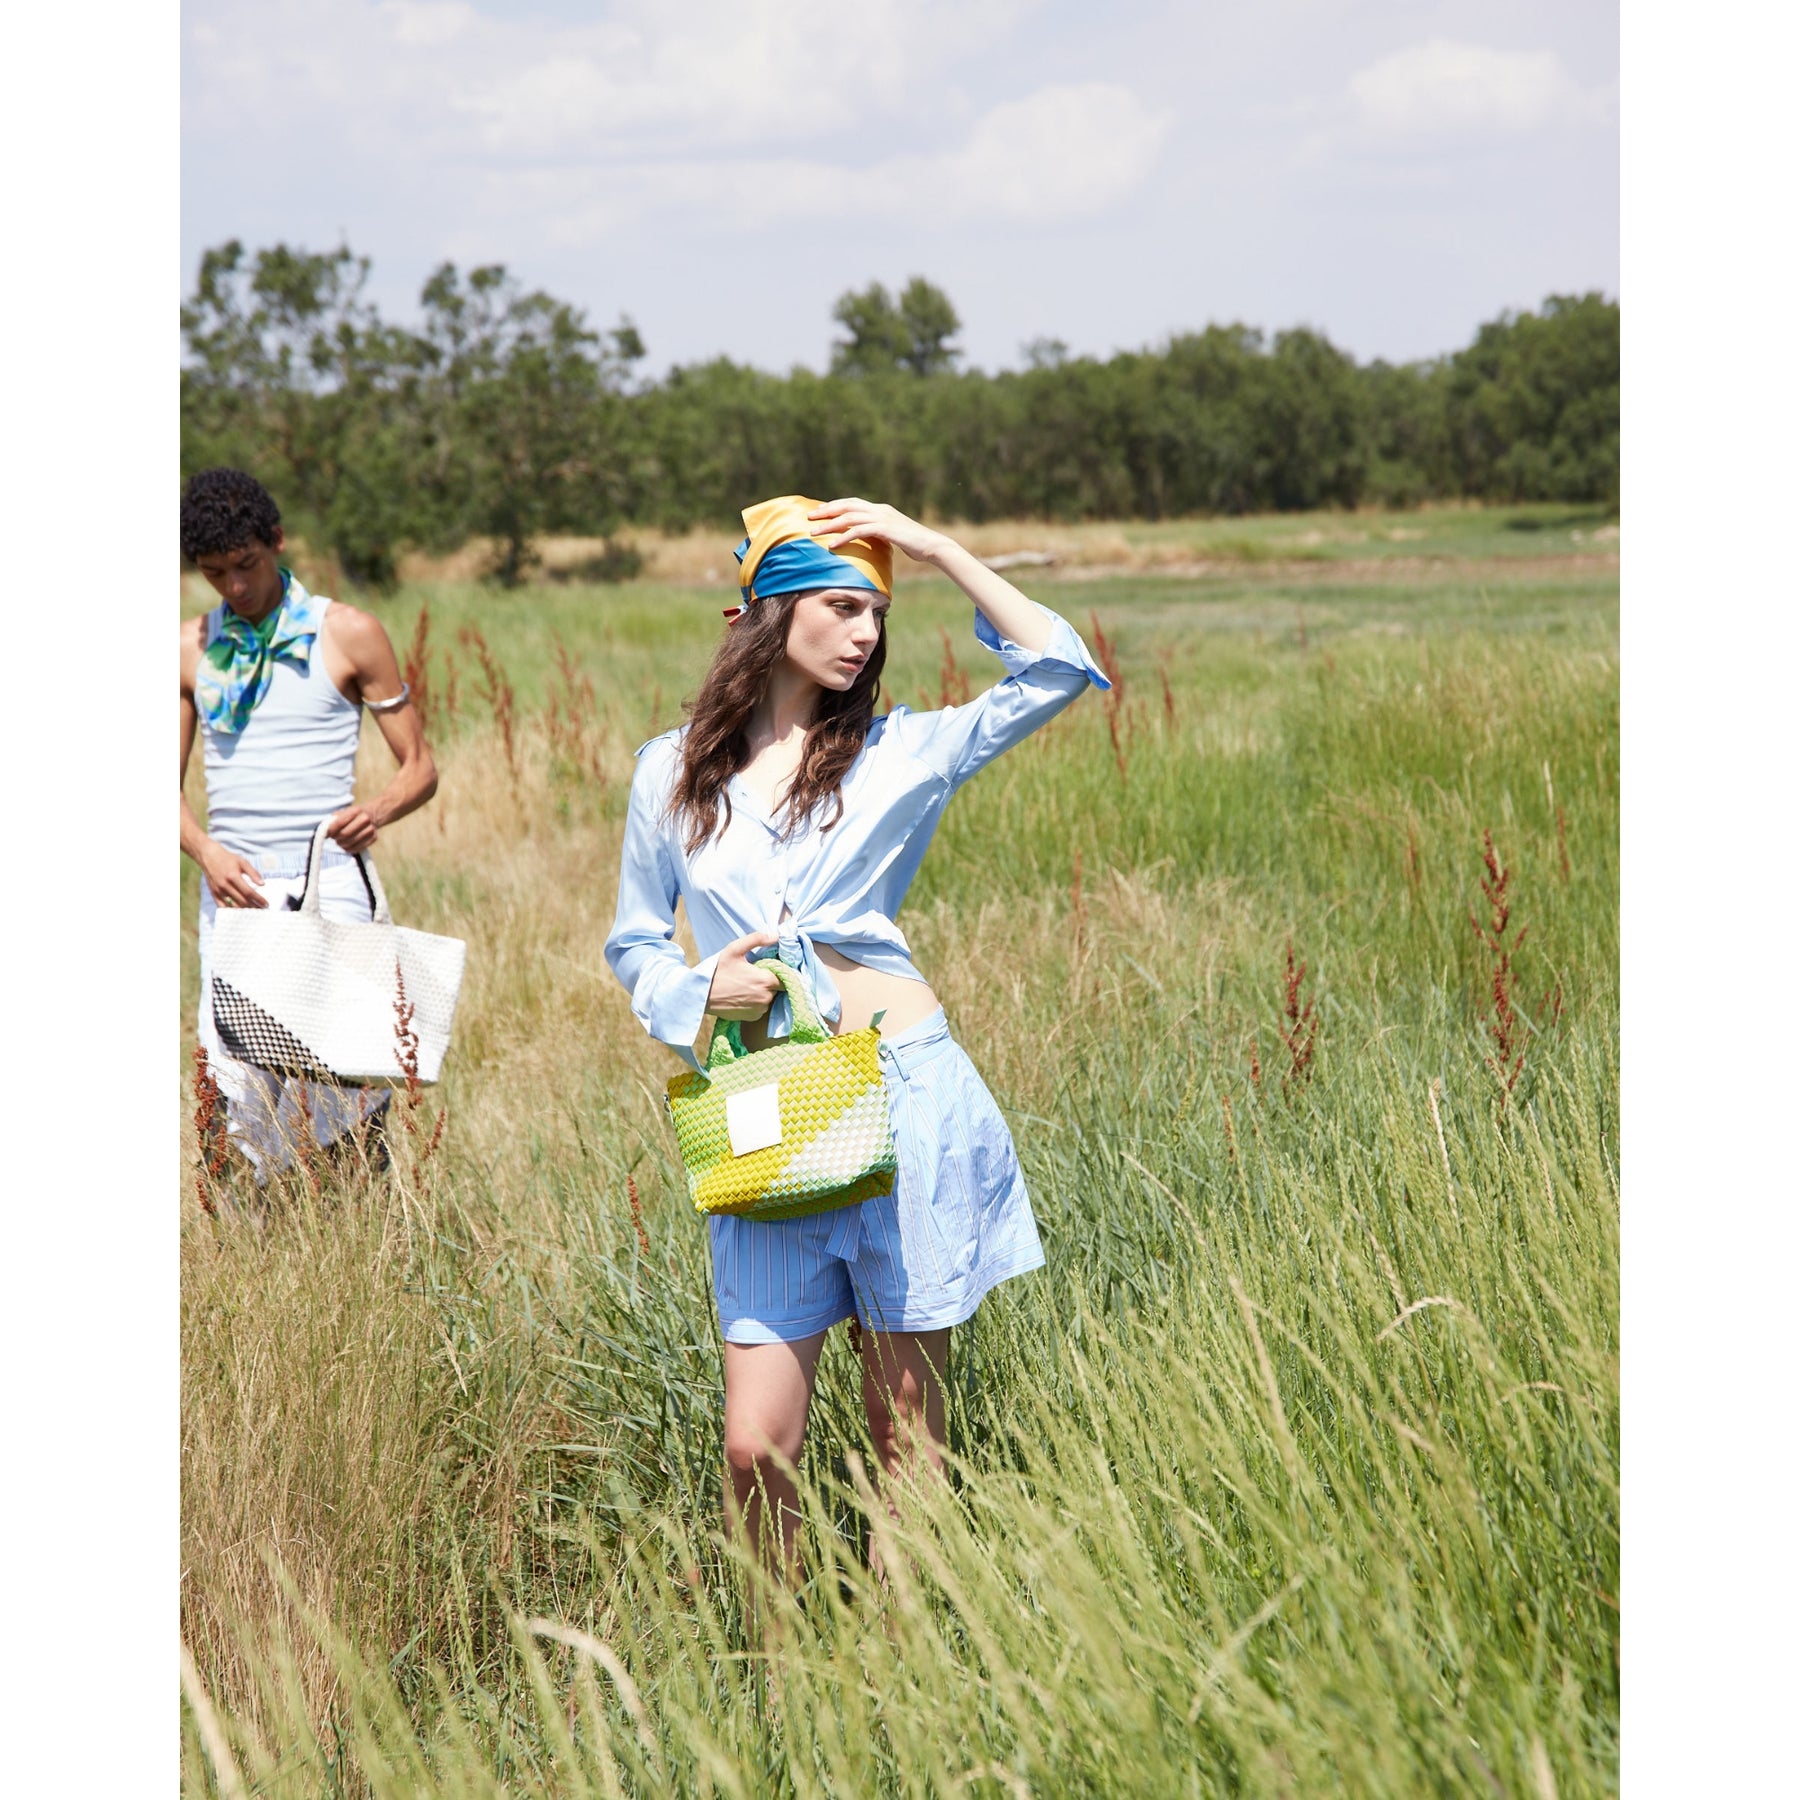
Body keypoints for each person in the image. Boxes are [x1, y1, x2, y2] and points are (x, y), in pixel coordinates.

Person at [605, 493, 1110, 1577]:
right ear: (771, 611)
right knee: (756, 1447)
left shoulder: (902, 751)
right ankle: (778, 1666)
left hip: (904, 1093)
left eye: (879, 611)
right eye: (842, 606)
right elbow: (635, 941)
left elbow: (1060, 669)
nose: (867, 633)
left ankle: (895, 1666)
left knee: (903, 1442)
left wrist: (934, 545)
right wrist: (697, 992)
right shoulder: (671, 771)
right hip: (767, 1111)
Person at [180, 467, 438, 1183]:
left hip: (332, 882)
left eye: (246, 564)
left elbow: (420, 766)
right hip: (235, 892)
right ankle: (253, 1234)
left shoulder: (349, 632)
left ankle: (354, 1224)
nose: (234, 587)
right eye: (214, 573)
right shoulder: (188, 647)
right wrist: (205, 852)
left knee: (344, 1076)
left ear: (277, 540)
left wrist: (376, 811)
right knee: (233, 1084)